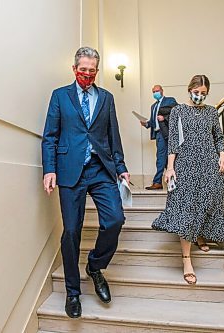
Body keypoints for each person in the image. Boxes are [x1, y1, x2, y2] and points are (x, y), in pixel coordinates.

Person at [41, 46, 130, 319]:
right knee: (71, 232)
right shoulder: (60, 96)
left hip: (101, 169)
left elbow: (113, 134)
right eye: (83, 71)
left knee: (115, 219)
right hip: (70, 170)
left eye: (92, 72)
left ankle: (95, 266)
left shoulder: (106, 97)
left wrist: (122, 168)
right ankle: (73, 292)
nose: (87, 76)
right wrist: (49, 169)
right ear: (74, 69)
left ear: (97, 71)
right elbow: (50, 136)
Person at [152, 75, 224, 285]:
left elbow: (218, 137)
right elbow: (173, 142)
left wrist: (222, 154)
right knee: (186, 207)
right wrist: (170, 168)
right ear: (190, 90)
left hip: (208, 164)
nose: (199, 97)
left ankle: (199, 235)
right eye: (197, 93)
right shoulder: (178, 110)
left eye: (204, 94)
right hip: (185, 164)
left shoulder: (211, 112)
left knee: (207, 202)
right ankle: (187, 259)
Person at [140, 85, 177, 190]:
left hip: (166, 132)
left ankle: (157, 182)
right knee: (165, 159)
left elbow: (176, 114)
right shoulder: (153, 106)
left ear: (162, 91)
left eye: (157, 91)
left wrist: (164, 118)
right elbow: (153, 122)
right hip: (158, 134)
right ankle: (174, 180)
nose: (155, 93)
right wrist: (146, 124)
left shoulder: (169, 101)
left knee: (160, 157)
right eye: (153, 92)